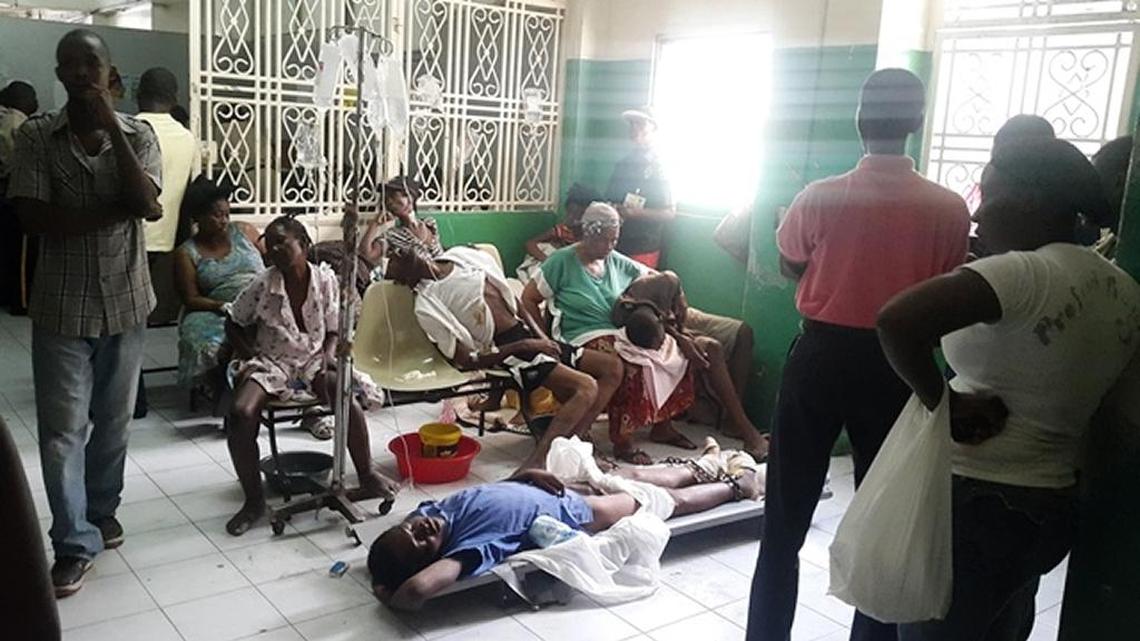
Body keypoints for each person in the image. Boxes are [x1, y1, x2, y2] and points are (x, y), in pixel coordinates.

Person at [877, 136, 1134, 640]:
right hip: (1050, 502)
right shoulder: (1120, 286)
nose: (976, 215)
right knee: (1004, 626)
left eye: (989, 195)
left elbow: (895, 321)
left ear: (1031, 201)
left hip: (978, 502)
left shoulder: (1023, 273)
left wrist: (942, 403)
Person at [746, 68, 970, 641]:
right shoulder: (948, 209)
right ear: (918, 123)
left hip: (819, 358)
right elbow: (944, 286)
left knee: (784, 522)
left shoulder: (820, 197)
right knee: (885, 521)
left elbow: (789, 261)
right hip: (900, 366)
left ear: (858, 121)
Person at [8, 29, 163, 597]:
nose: (80, 72)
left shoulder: (139, 135)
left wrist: (113, 128)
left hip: (126, 300)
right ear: (58, 72)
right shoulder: (34, 138)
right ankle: (73, 543)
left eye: (90, 63)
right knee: (61, 434)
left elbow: (146, 205)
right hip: (61, 306)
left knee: (115, 423)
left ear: (109, 71)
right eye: (69, 63)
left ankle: (101, 512)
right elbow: (34, 219)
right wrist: (115, 210)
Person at [368, 445, 763, 610]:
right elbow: (417, 590)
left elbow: (488, 496)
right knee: (659, 501)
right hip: (581, 510)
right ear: (431, 559)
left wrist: (524, 475)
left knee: (629, 473)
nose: (422, 528)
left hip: (546, 485)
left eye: (412, 528)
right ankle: (734, 486)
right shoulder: (470, 547)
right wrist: (387, 595)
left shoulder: (432, 510)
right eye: (423, 542)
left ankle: (706, 465)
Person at [223, 215, 400, 535]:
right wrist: (249, 356)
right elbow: (233, 321)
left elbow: (334, 329)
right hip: (273, 361)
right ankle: (253, 501)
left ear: (303, 245)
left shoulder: (325, 281)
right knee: (240, 413)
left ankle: (367, 475)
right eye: (270, 243)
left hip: (315, 358)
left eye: (283, 242)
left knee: (344, 397)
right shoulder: (263, 285)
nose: (275, 249)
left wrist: (329, 357)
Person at [385, 242, 624, 472]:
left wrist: (542, 339)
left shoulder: (462, 257)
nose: (397, 252)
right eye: (394, 259)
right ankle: (538, 461)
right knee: (586, 388)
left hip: (531, 336)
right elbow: (468, 360)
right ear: (406, 277)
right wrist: (528, 344)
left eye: (396, 251)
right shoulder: (428, 304)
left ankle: (574, 444)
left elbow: (517, 304)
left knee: (612, 367)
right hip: (509, 350)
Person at [521, 203, 704, 465]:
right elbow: (527, 299)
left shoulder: (615, 260)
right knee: (629, 364)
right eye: (604, 240)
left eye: (614, 240)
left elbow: (657, 278)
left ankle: (662, 425)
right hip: (578, 336)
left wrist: (676, 293)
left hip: (617, 333)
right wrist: (543, 339)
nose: (609, 246)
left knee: (669, 352)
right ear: (588, 234)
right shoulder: (561, 261)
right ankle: (621, 440)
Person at [613, 270, 768, 459]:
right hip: (654, 322)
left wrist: (682, 333)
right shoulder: (636, 306)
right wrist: (681, 338)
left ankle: (732, 422)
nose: (608, 244)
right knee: (711, 348)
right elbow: (652, 326)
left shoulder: (663, 282)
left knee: (743, 332)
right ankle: (748, 432)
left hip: (671, 317)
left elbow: (678, 317)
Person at [172, 176, 264, 404]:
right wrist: (221, 306)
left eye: (226, 214)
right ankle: (224, 388)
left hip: (260, 302)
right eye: (215, 215)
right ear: (198, 218)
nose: (223, 221)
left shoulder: (244, 232)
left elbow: (274, 255)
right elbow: (191, 298)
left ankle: (252, 384)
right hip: (215, 309)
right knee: (204, 341)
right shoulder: (187, 253)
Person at [137, 67, 202, 254]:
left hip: (128, 241)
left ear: (138, 94)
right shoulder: (187, 138)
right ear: (175, 99)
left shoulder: (131, 131)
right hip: (167, 242)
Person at [606, 108, 675, 268]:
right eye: (632, 124)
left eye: (641, 124)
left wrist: (635, 213)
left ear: (653, 128)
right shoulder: (623, 164)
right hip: (617, 242)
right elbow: (609, 199)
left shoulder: (660, 167)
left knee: (639, 290)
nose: (635, 129)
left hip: (643, 246)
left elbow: (669, 213)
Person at [0, 81, 39, 313]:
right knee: (21, 254)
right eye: (32, 96)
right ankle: (21, 301)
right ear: (21, 99)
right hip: (13, 196)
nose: (35, 102)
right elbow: (16, 162)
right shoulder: (18, 123)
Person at [517, 182, 597, 281]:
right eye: (569, 213)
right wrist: (547, 260)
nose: (571, 218)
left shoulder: (591, 237)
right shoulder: (561, 230)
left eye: (577, 215)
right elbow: (530, 244)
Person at [358, 176, 443, 269]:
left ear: (410, 197)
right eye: (386, 199)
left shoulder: (430, 223)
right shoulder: (392, 236)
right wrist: (375, 224)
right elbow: (366, 255)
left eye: (393, 196)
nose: (389, 202)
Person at [1089, 135, 1133, 258]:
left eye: (1094, 182)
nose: (1085, 190)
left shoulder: (1128, 252)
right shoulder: (1110, 243)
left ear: (1118, 182)